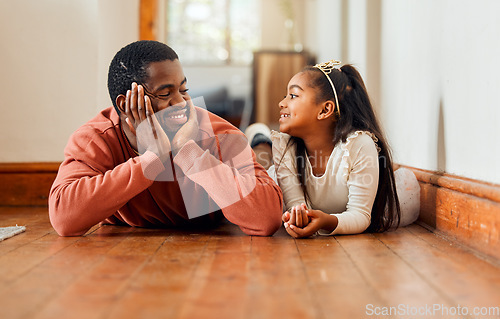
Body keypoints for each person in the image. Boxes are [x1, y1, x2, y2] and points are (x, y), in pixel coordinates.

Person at [48, 40, 283, 237]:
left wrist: (188, 152)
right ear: (125, 104)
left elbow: (266, 219)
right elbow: (64, 219)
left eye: (184, 90)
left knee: (261, 150)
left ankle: (257, 134)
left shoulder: (221, 134)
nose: (181, 103)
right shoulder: (96, 138)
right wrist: (150, 160)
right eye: (165, 93)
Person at [245, 60, 419, 238]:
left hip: (348, 205)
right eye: (286, 95)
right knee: (258, 162)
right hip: (277, 175)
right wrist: (298, 218)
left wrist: (328, 221)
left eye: (293, 96)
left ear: (325, 109)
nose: (281, 103)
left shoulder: (358, 145)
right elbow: (296, 205)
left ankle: (260, 138)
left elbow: (360, 214)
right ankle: (259, 137)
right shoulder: (285, 147)